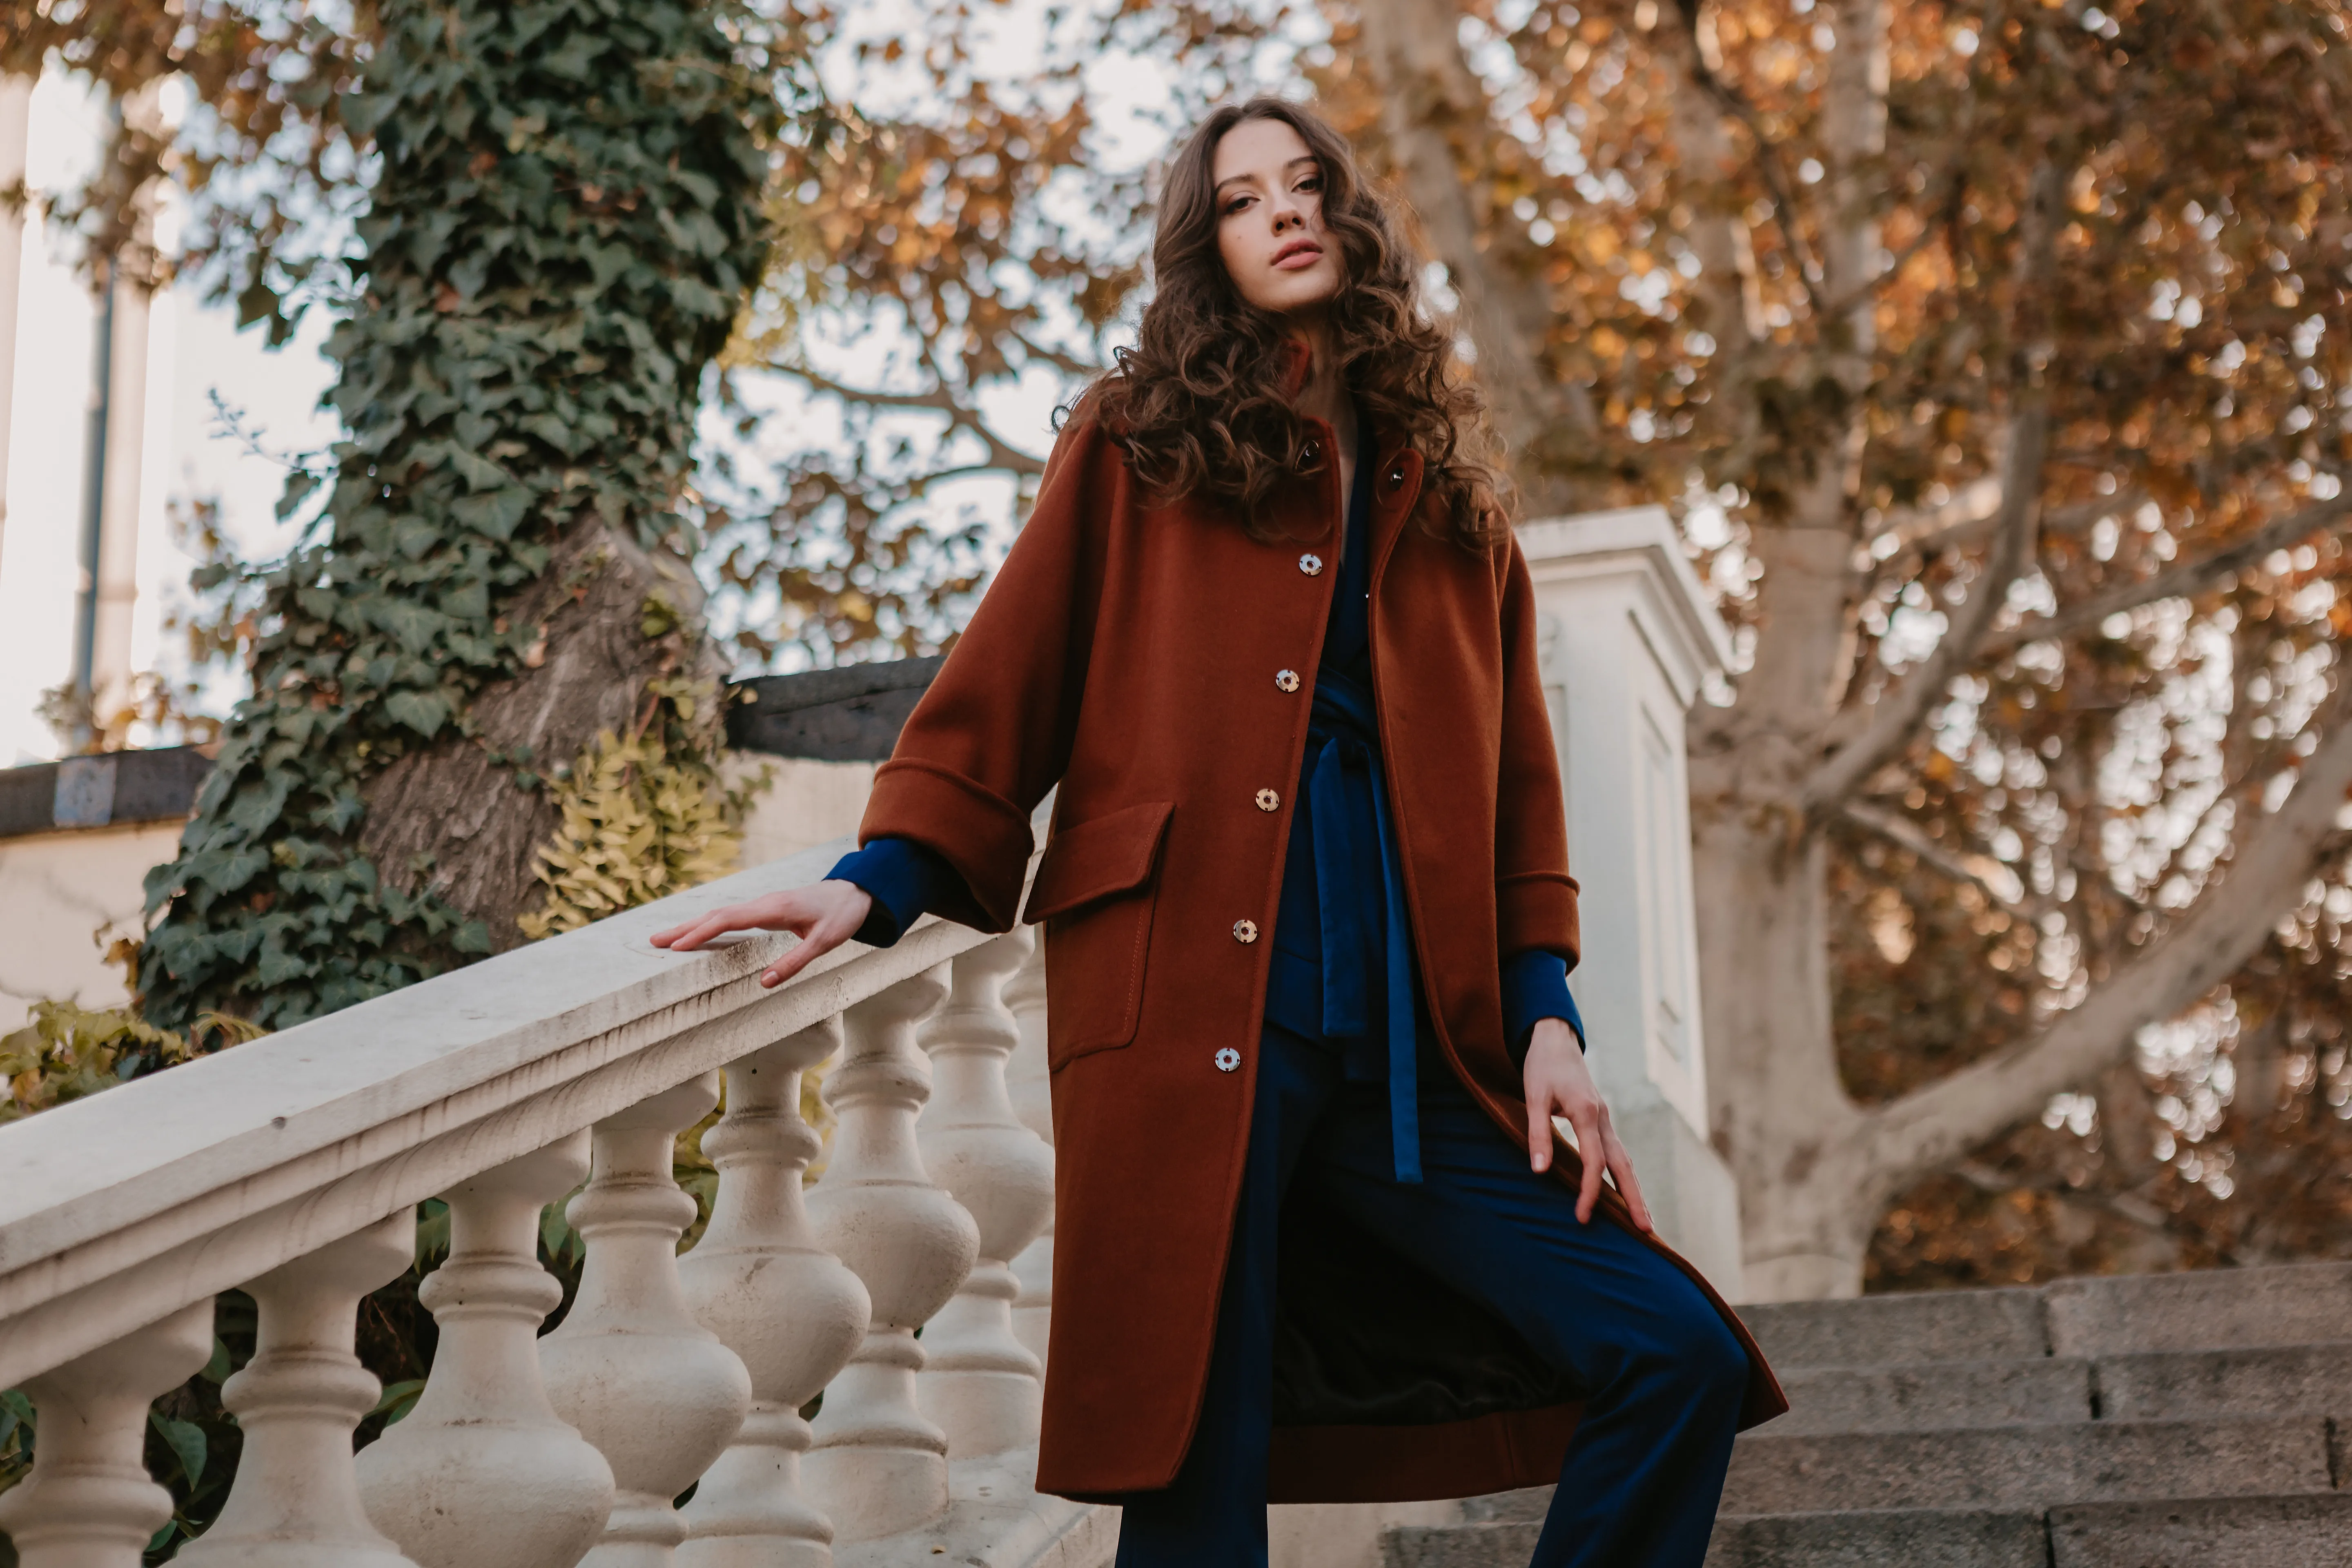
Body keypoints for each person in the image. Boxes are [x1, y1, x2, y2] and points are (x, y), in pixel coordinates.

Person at [655, 96, 1785, 1568]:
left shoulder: (1460, 523)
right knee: (1199, 1470)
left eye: (1308, 185)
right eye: (1246, 200)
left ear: (1354, 218)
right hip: (1189, 1011)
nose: (1286, 213)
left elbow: (1522, 808)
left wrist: (1548, 1017)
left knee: (1677, 1354)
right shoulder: (1139, 444)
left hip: (1419, 1057)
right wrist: (877, 881)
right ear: (1215, 246)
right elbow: (1013, 680)